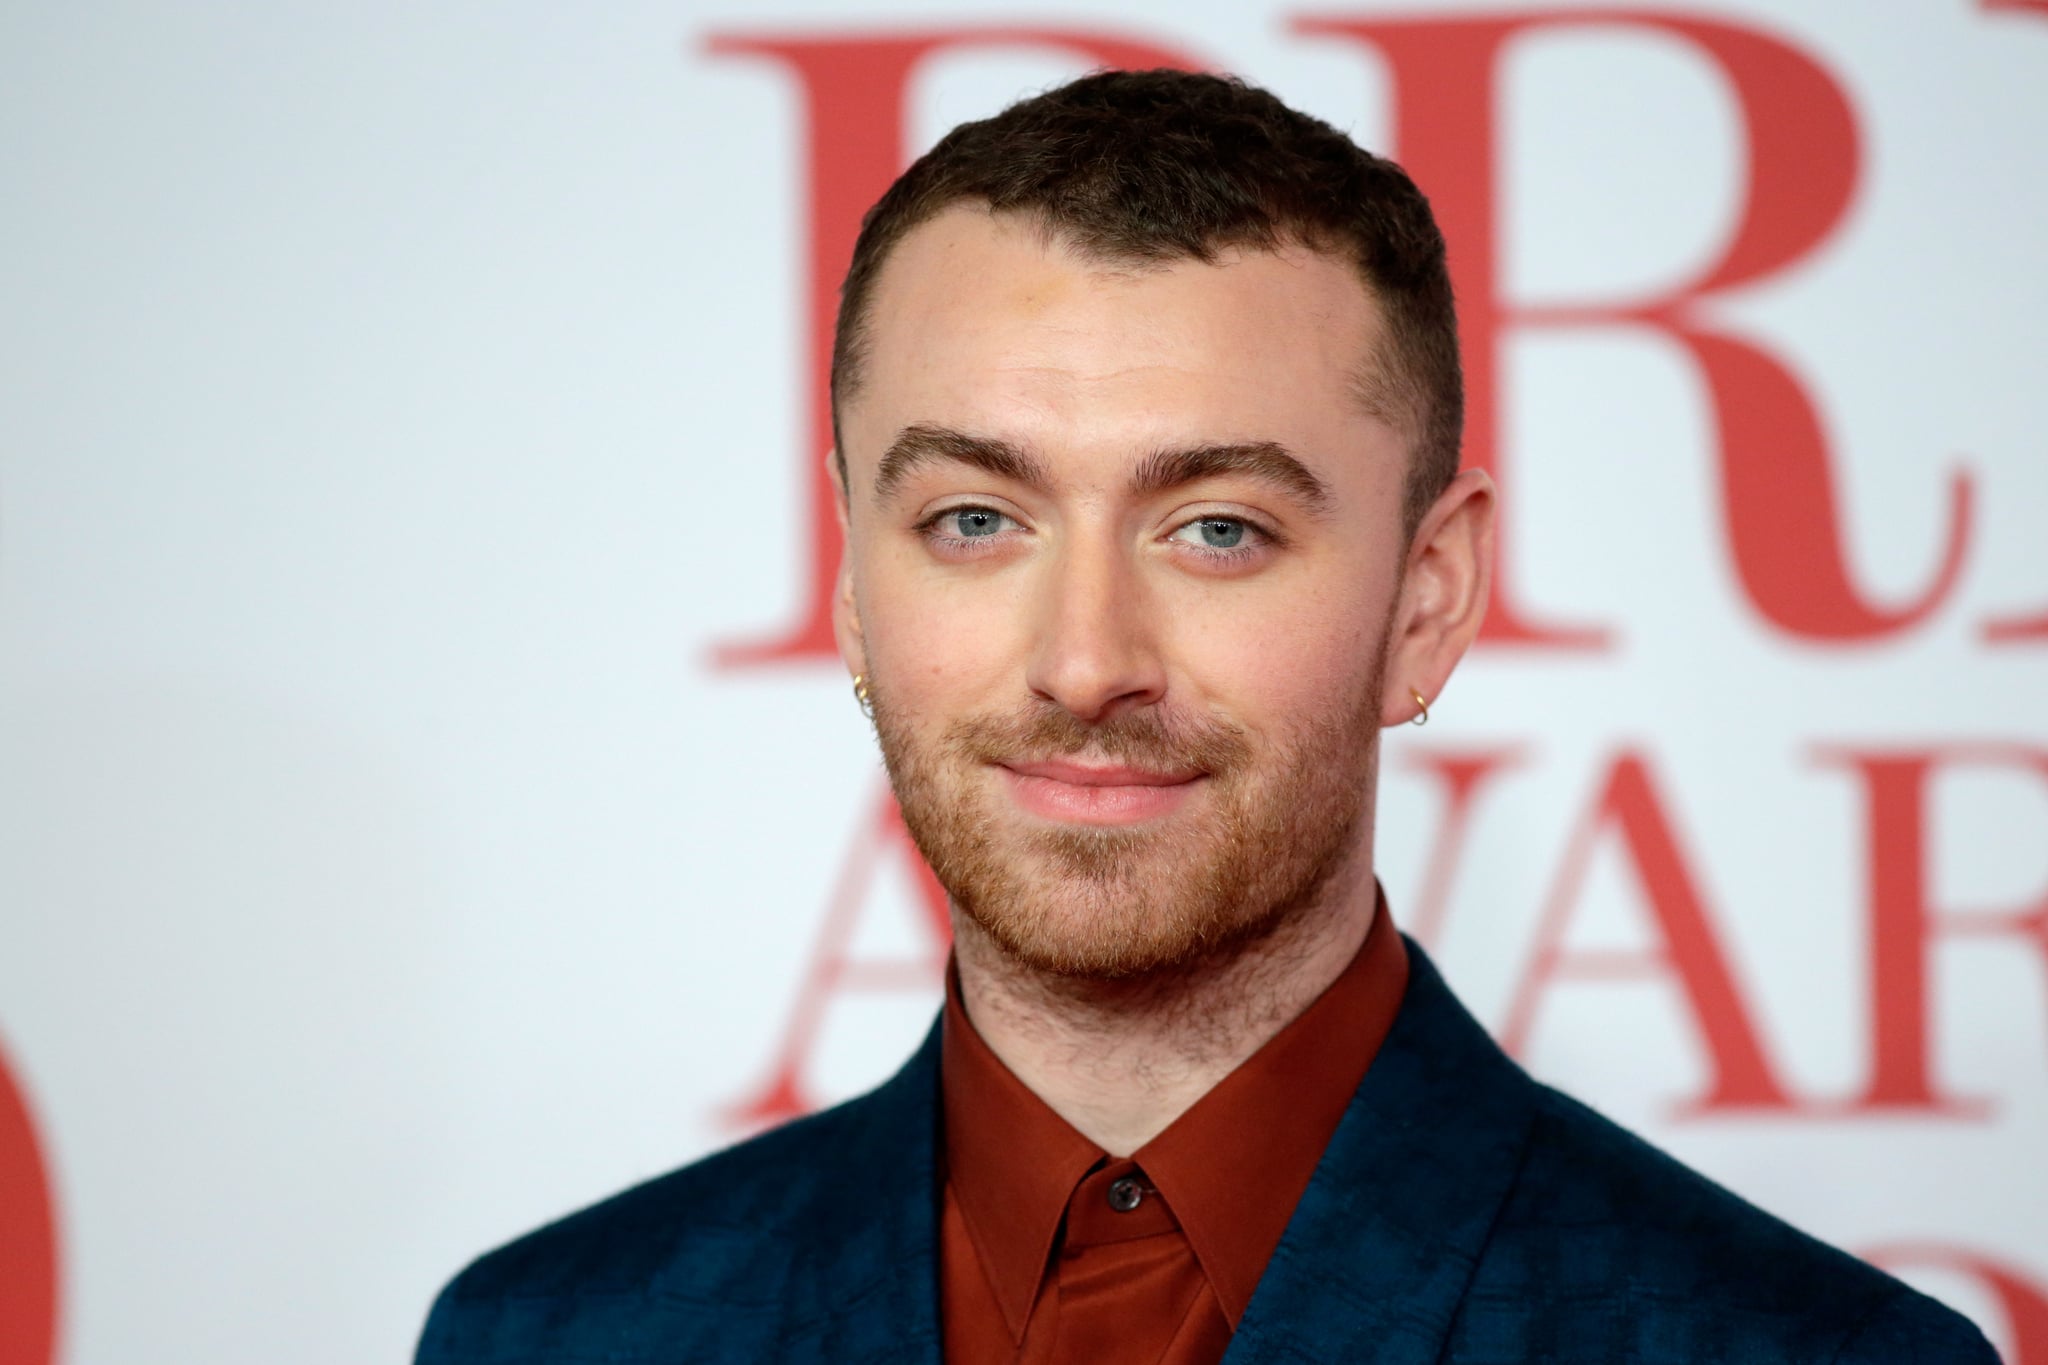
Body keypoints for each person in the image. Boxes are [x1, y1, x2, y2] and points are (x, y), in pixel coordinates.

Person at [414, 70, 1997, 1364]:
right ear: (850, 582)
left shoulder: (1812, 1354)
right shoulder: (545, 1336)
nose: (1087, 660)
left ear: (1428, 599)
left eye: (1218, 528)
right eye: (976, 519)